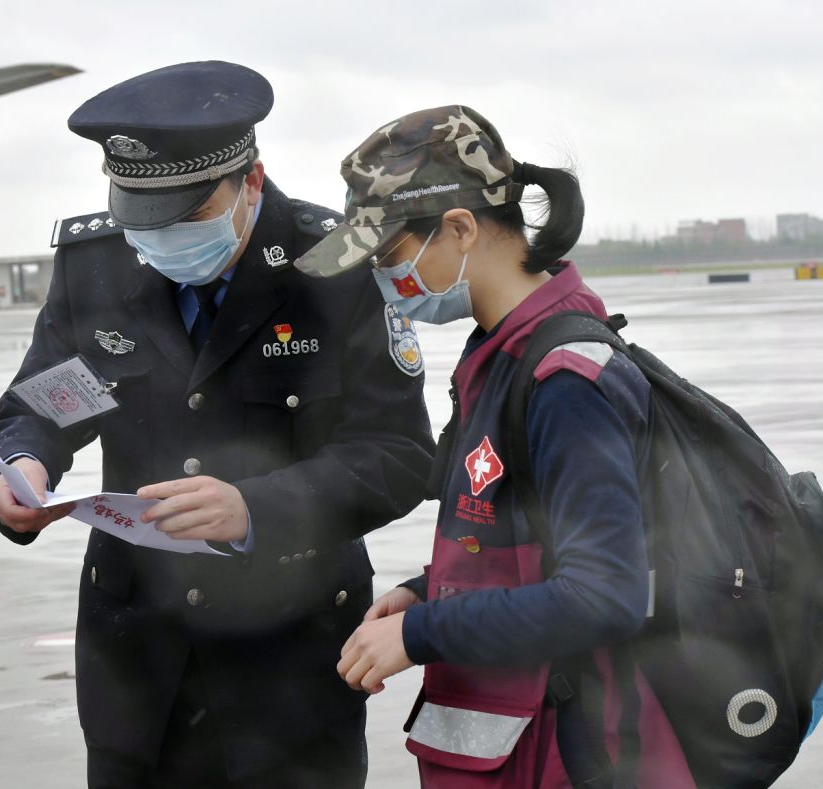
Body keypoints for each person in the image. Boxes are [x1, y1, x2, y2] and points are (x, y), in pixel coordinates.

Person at [0, 61, 435, 789]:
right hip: (137, 672)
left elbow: (399, 453)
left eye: (184, 216)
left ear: (250, 179)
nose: (156, 239)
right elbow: (42, 406)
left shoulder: (335, 266)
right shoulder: (99, 267)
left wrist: (257, 506)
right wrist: (24, 470)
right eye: (139, 217)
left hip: (290, 670)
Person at [297, 106, 695, 787]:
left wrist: (420, 635)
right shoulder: (502, 357)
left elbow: (604, 594)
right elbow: (524, 546)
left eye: (389, 258)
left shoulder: (564, 381)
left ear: (458, 228)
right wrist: (428, 593)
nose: (383, 284)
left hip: (566, 754)